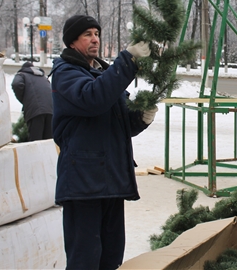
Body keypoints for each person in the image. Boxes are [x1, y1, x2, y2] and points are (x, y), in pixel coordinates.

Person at [51, 14, 158, 269]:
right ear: (72, 41)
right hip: (83, 183)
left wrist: (141, 117)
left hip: (110, 181)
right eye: (87, 34)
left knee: (111, 258)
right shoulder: (65, 73)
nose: (95, 39)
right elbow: (93, 100)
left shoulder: (104, 73)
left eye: (97, 34)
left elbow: (118, 124)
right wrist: (127, 61)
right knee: (85, 259)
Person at [11, 61, 53, 141]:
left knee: (35, 142)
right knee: (48, 142)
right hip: (51, 110)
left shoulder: (21, 74)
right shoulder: (42, 76)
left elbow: (16, 84)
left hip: (35, 111)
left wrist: (24, 99)